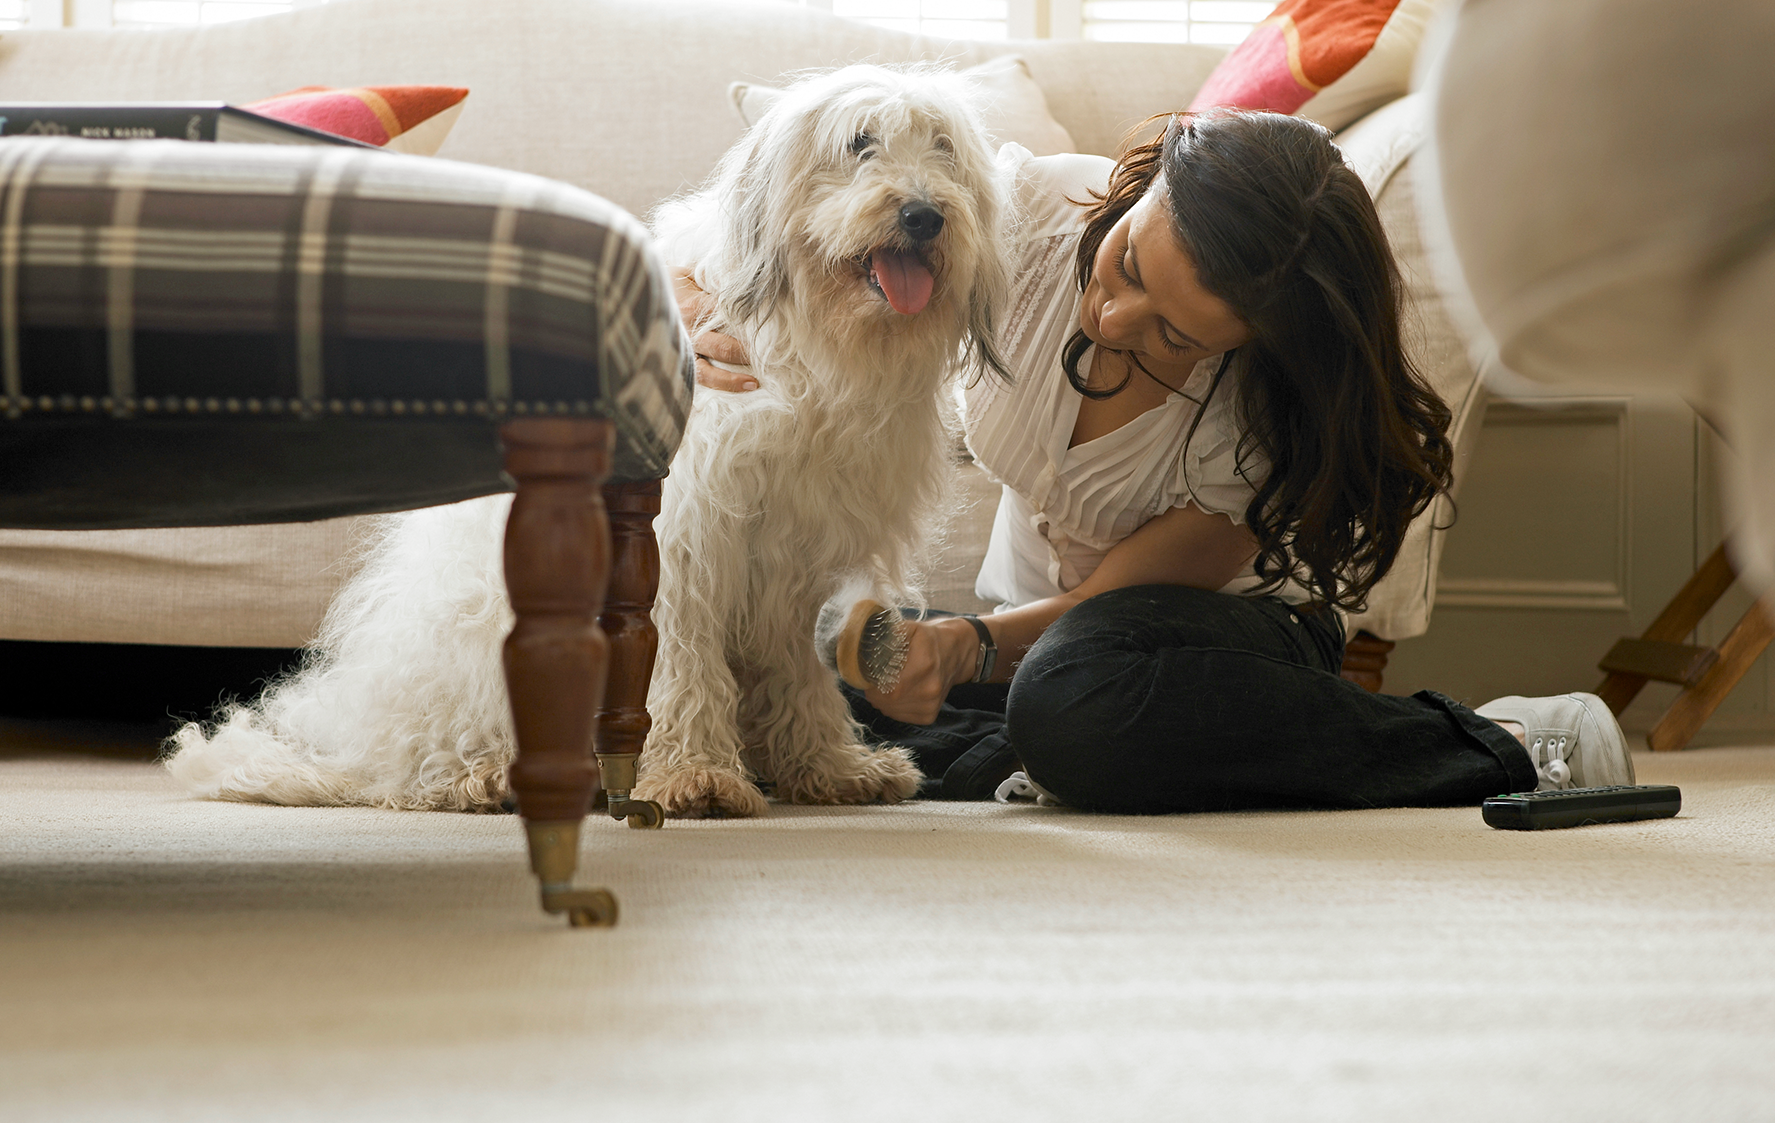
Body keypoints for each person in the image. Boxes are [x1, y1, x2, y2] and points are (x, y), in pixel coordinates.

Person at [678, 107, 1635, 812]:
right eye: (1130, 264)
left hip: (1191, 644)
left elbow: (1108, 608)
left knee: (1072, 695)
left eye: (1173, 334)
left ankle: (1500, 740)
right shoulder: (1027, 216)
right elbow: (772, 234)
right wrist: (682, 305)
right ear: (1140, 197)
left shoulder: (1257, 421)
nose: (1113, 316)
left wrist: (964, 647)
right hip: (1024, 639)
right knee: (823, 651)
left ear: (1247, 345)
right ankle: (1063, 763)